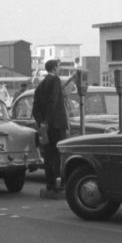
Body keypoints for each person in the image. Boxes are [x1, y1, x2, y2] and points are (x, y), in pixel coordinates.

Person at [32, 59, 69, 194]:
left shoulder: (40, 86)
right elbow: (53, 101)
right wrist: (48, 120)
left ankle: (50, 183)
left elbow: (35, 108)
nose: (60, 69)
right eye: (59, 66)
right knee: (59, 155)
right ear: (54, 68)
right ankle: (58, 182)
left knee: (48, 155)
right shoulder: (56, 81)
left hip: (45, 127)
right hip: (57, 124)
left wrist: (42, 122)